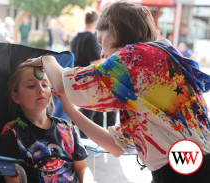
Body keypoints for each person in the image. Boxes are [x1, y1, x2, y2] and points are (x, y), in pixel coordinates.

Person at [22, 1, 210, 183]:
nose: (102, 53)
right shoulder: (154, 67)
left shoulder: (136, 57)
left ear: (114, 30)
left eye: (101, 40)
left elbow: (65, 84)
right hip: (187, 166)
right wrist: (70, 111)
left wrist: (47, 59)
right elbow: (115, 146)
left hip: (185, 169)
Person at [0, 65, 93, 183]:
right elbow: (13, 180)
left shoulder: (66, 128)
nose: (41, 89)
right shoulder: (12, 133)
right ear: (16, 97)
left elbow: (82, 167)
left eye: (44, 85)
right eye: (31, 86)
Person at [70, 9, 117, 139]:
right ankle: (94, 145)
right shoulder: (90, 37)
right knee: (91, 117)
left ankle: (91, 143)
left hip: (79, 79)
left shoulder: (76, 37)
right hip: (91, 80)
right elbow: (95, 63)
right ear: (96, 22)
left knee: (90, 115)